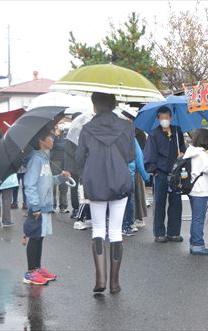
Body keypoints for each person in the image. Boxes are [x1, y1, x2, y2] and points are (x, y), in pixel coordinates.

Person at [76, 92, 135, 294]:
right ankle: (115, 283)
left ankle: (100, 280)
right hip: (120, 180)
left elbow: (79, 158)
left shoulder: (86, 129)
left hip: (95, 181)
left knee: (98, 228)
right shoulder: (127, 127)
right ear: (113, 104)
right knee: (116, 230)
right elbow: (130, 155)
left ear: (95, 105)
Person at [23, 127, 71, 285]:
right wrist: (35, 206)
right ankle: (30, 272)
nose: (53, 140)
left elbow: (48, 181)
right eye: (49, 137)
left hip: (45, 206)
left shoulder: (45, 158)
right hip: (38, 207)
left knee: (40, 237)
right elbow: (29, 184)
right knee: (34, 238)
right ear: (41, 141)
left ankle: (37, 267)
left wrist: (61, 178)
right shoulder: (36, 160)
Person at [143, 107, 186, 243]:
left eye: (166, 117)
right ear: (158, 119)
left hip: (176, 173)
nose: (164, 120)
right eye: (162, 118)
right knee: (159, 203)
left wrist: (183, 155)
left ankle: (174, 232)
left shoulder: (177, 132)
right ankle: (159, 232)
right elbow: (149, 154)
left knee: (176, 203)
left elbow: (184, 149)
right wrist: (154, 170)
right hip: (160, 173)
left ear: (170, 117)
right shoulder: (154, 134)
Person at [183, 128, 208, 255]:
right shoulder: (200, 154)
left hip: (194, 189)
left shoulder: (192, 151)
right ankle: (198, 245)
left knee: (196, 218)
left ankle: (194, 242)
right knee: (199, 219)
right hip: (201, 189)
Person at [122, 133, 150, 236]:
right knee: (129, 200)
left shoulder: (108, 136)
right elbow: (139, 157)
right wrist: (146, 176)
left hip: (113, 174)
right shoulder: (130, 137)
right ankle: (127, 225)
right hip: (129, 173)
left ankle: (113, 224)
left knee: (114, 201)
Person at [64, 113, 82, 219]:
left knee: (83, 188)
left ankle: (83, 208)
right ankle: (75, 208)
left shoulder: (84, 132)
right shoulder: (69, 133)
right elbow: (67, 149)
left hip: (82, 165)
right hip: (72, 165)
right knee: (74, 187)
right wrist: (79, 155)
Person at [51, 123, 68, 213]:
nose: (60, 125)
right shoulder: (51, 135)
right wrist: (55, 136)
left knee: (64, 184)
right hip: (53, 161)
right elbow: (51, 146)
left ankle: (63, 206)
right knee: (53, 184)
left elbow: (64, 146)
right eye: (58, 124)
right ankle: (52, 205)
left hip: (65, 161)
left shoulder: (66, 134)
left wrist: (59, 137)